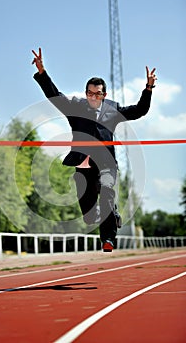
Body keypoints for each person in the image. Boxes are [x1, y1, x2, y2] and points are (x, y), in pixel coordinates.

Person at [32, 47, 157, 252]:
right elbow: (54, 95)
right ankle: (110, 214)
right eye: (89, 93)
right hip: (83, 166)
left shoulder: (112, 109)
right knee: (90, 215)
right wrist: (42, 72)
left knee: (107, 191)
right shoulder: (75, 107)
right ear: (86, 93)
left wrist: (148, 88)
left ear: (103, 94)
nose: (92, 97)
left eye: (97, 94)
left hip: (106, 165)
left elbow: (139, 110)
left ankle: (107, 239)